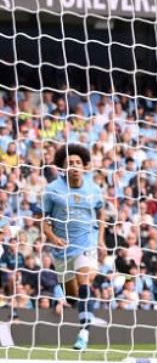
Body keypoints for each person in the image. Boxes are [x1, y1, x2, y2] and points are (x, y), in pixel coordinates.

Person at [42, 144, 105, 351]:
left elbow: (101, 213)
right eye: (70, 163)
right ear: (63, 167)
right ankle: (87, 313)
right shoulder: (52, 190)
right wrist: (52, 237)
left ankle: (84, 333)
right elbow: (44, 221)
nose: (75, 166)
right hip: (62, 249)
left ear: (84, 166)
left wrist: (101, 239)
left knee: (84, 278)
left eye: (78, 163)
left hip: (86, 241)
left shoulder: (94, 189)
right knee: (72, 296)